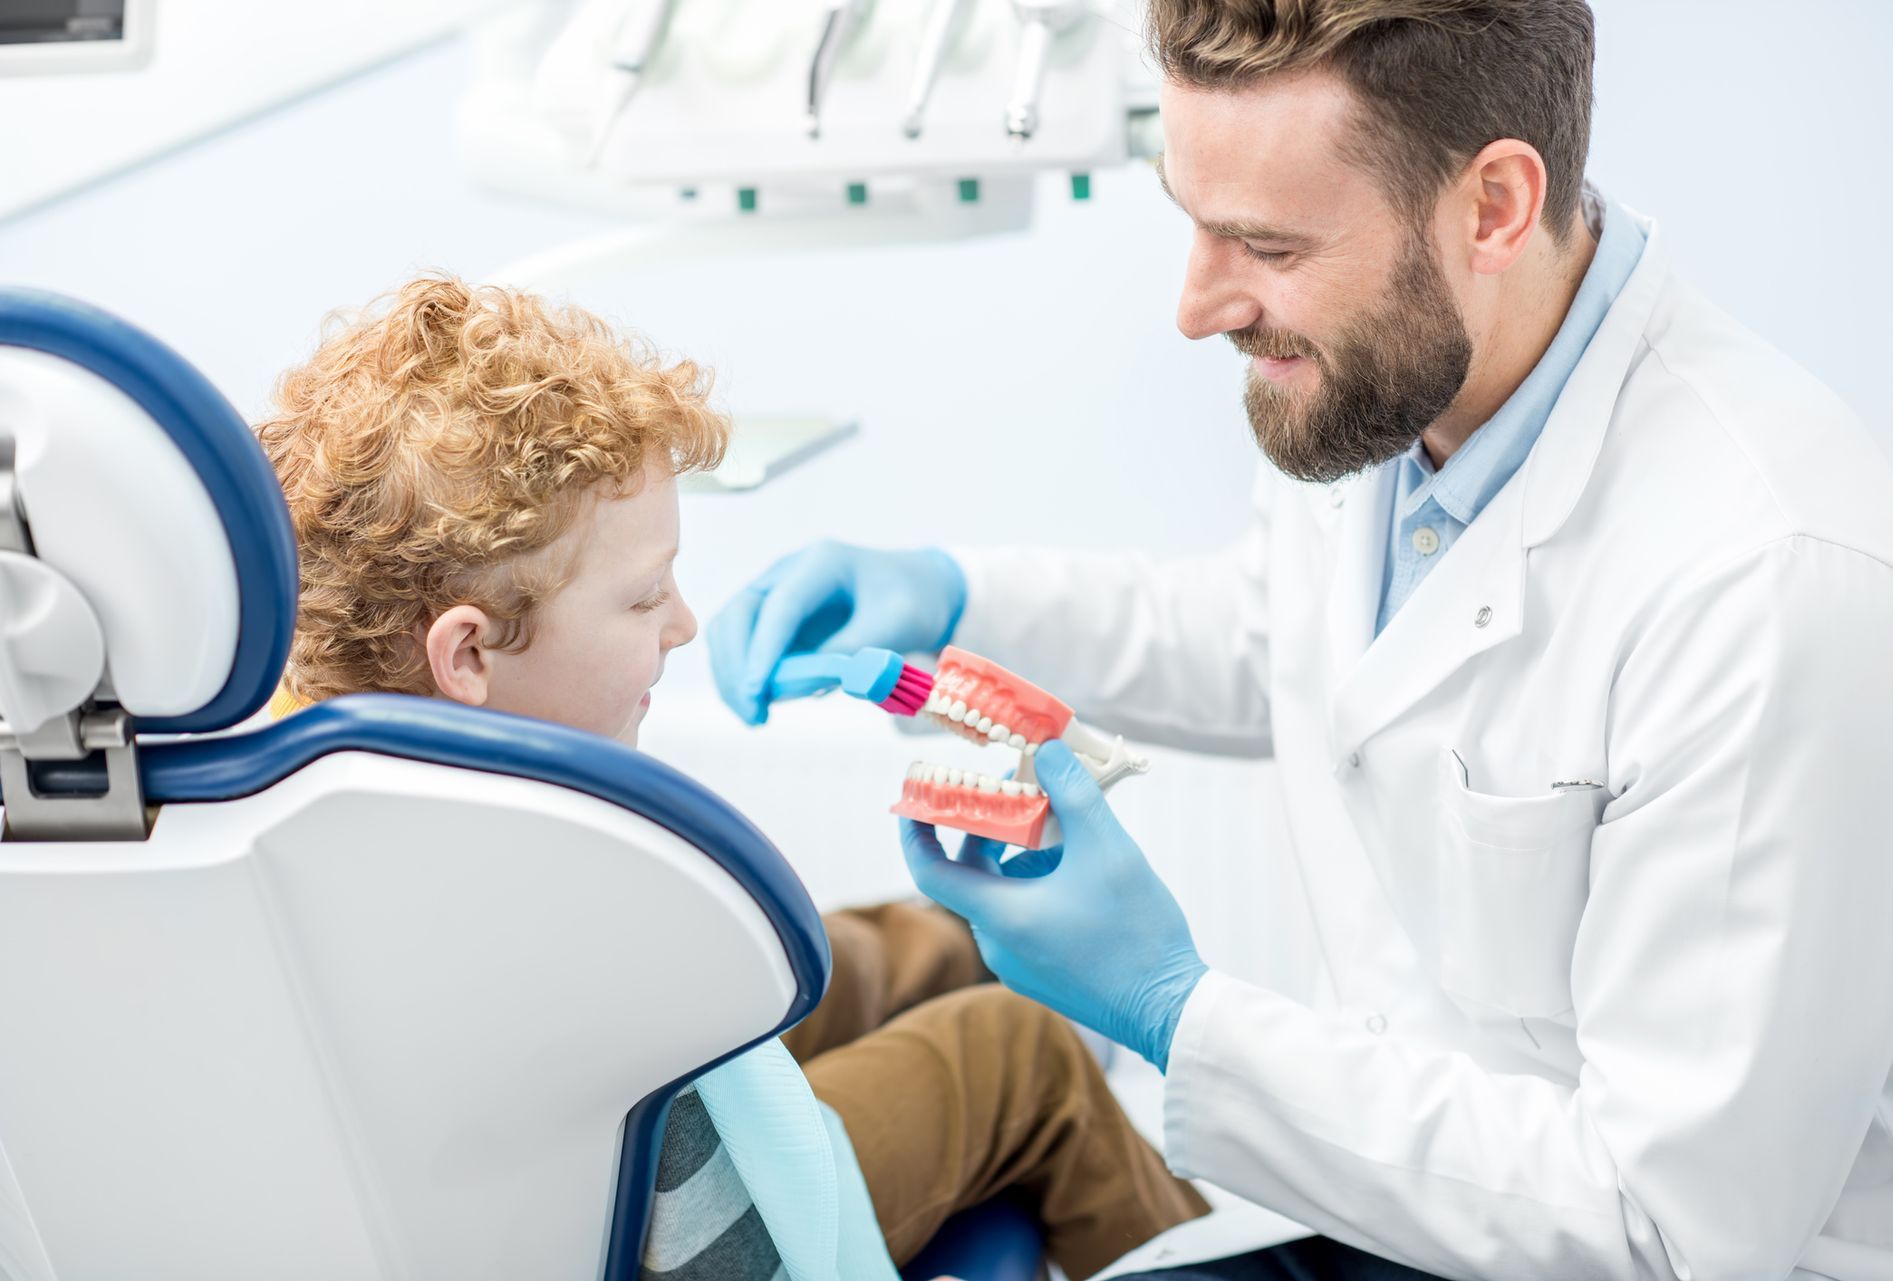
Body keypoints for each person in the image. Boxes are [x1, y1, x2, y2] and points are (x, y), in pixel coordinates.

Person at [707, 2, 1893, 1278]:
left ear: (1494, 208)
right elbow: (1277, 641)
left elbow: (1672, 1231)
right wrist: (957, 598)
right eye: (1191, 218)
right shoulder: (1399, 385)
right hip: (1418, 1207)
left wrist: (1180, 1012)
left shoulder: (1772, 582)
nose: (1197, 306)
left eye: (1264, 243)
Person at [256, 275, 1208, 1280]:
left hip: (604, 1096)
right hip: (665, 1234)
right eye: (643, 600)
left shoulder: (310, 776)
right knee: (1021, 1051)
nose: (683, 626)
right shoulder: (566, 898)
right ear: (469, 655)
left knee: (926, 943)